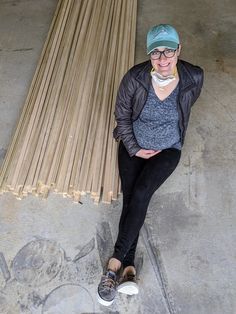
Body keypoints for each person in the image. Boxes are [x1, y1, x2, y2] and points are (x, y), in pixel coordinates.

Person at [97, 24, 204, 306]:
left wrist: (163, 139)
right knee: (131, 199)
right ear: (149, 55)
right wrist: (135, 148)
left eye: (169, 50)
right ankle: (129, 270)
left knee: (142, 193)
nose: (163, 58)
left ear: (179, 50)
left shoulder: (194, 77)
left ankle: (114, 264)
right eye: (156, 53)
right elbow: (121, 117)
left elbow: (185, 109)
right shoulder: (135, 77)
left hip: (168, 149)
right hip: (133, 147)